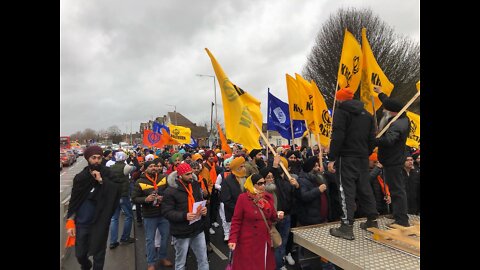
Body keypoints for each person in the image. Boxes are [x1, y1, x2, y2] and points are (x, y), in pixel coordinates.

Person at [327, 88, 378, 240]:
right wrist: (366, 153)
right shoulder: (368, 115)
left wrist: (332, 157)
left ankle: (346, 227)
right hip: (362, 157)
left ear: (340, 100)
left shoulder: (341, 113)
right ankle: (372, 220)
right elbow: (372, 138)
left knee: (346, 190)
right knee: (365, 187)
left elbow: (338, 135)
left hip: (346, 157)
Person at [66, 146, 121, 270]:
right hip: (82, 223)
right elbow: (74, 200)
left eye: (99, 158)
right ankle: (86, 265)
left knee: (99, 255)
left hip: (100, 221)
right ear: (88, 159)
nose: (96, 161)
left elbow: (117, 190)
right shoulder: (80, 177)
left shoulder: (107, 173)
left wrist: (102, 181)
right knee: (80, 254)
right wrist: (70, 221)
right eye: (93, 158)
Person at [228, 174, 284, 270]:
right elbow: (236, 220)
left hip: (264, 239)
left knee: (263, 265)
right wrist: (233, 239)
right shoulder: (243, 198)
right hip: (247, 241)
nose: (263, 186)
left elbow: (273, 217)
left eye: (264, 183)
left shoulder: (268, 197)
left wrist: (278, 215)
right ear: (252, 185)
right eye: (260, 183)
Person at [374, 86, 411, 226]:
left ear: (392, 112)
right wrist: (380, 94)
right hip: (391, 159)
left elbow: (389, 140)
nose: (383, 111)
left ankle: (402, 220)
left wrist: (374, 140)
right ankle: (397, 214)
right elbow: (388, 102)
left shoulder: (398, 124)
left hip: (393, 160)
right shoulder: (398, 115)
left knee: (397, 190)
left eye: (385, 109)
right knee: (395, 189)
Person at [162, 163, 209, 270]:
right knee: (181, 262)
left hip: (197, 228)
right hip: (181, 232)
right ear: (180, 176)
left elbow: (199, 201)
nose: (191, 176)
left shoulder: (195, 185)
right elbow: (166, 212)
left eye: (191, 173)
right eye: (187, 174)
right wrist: (184, 216)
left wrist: (203, 209)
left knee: (203, 259)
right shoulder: (170, 191)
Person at [132, 159, 173, 270]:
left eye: (154, 166)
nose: (153, 168)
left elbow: (170, 191)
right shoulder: (139, 181)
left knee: (165, 237)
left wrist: (163, 197)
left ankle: (163, 257)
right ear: (145, 169)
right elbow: (134, 198)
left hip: (163, 213)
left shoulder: (163, 178)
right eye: (150, 166)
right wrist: (146, 199)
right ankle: (151, 262)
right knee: (150, 240)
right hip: (150, 215)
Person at [108, 151, 135, 249]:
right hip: (123, 195)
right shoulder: (126, 167)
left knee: (114, 218)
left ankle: (113, 241)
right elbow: (134, 168)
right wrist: (131, 161)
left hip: (113, 195)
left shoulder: (111, 168)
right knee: (129, 216)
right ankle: (125, 238)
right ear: (124, 158)